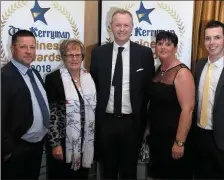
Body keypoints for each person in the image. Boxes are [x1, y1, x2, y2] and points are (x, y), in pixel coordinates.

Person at [90, 9, 155, 180]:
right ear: (110, 26)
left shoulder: (144, 54)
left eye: (126, 25)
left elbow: (148, 91)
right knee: (108, 171)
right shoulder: (98, 53)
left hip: (132, 123)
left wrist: (146, 123)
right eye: (118, 24)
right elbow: (94, 87)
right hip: (106, 121)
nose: (121, 29)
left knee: (129, 171)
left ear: (132, 28)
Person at [45, 39, 96, 179]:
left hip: (84, 140)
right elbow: (51, 113)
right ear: (63, 56)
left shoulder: (88, 78)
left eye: (78, 55)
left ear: (82, 57)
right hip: (62, 142)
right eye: (70, 55)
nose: (74, 58)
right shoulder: (53, 79)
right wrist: (55, 143)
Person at [1, 30, 49, 179]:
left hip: (36, 146)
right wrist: (7, 151)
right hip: (17, 150)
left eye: (32, 47)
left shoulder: (34, 73)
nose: (29, 52)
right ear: (13, 48)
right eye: (23, 47)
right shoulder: (4, 76)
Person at [148, 31, 195, 179]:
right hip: (157, 138)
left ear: (175, 48)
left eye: (168, 44)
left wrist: (179, 143)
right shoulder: (159, 70)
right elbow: (154, 104)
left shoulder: (182, 73)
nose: (163, 47)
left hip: (173, 139)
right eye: (160, 43)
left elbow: (188, 110)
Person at [194, 20, 224, 179]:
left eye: (217, 37)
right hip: (199, 135)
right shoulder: (199, 65)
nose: (212, 43)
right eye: (208, 38)